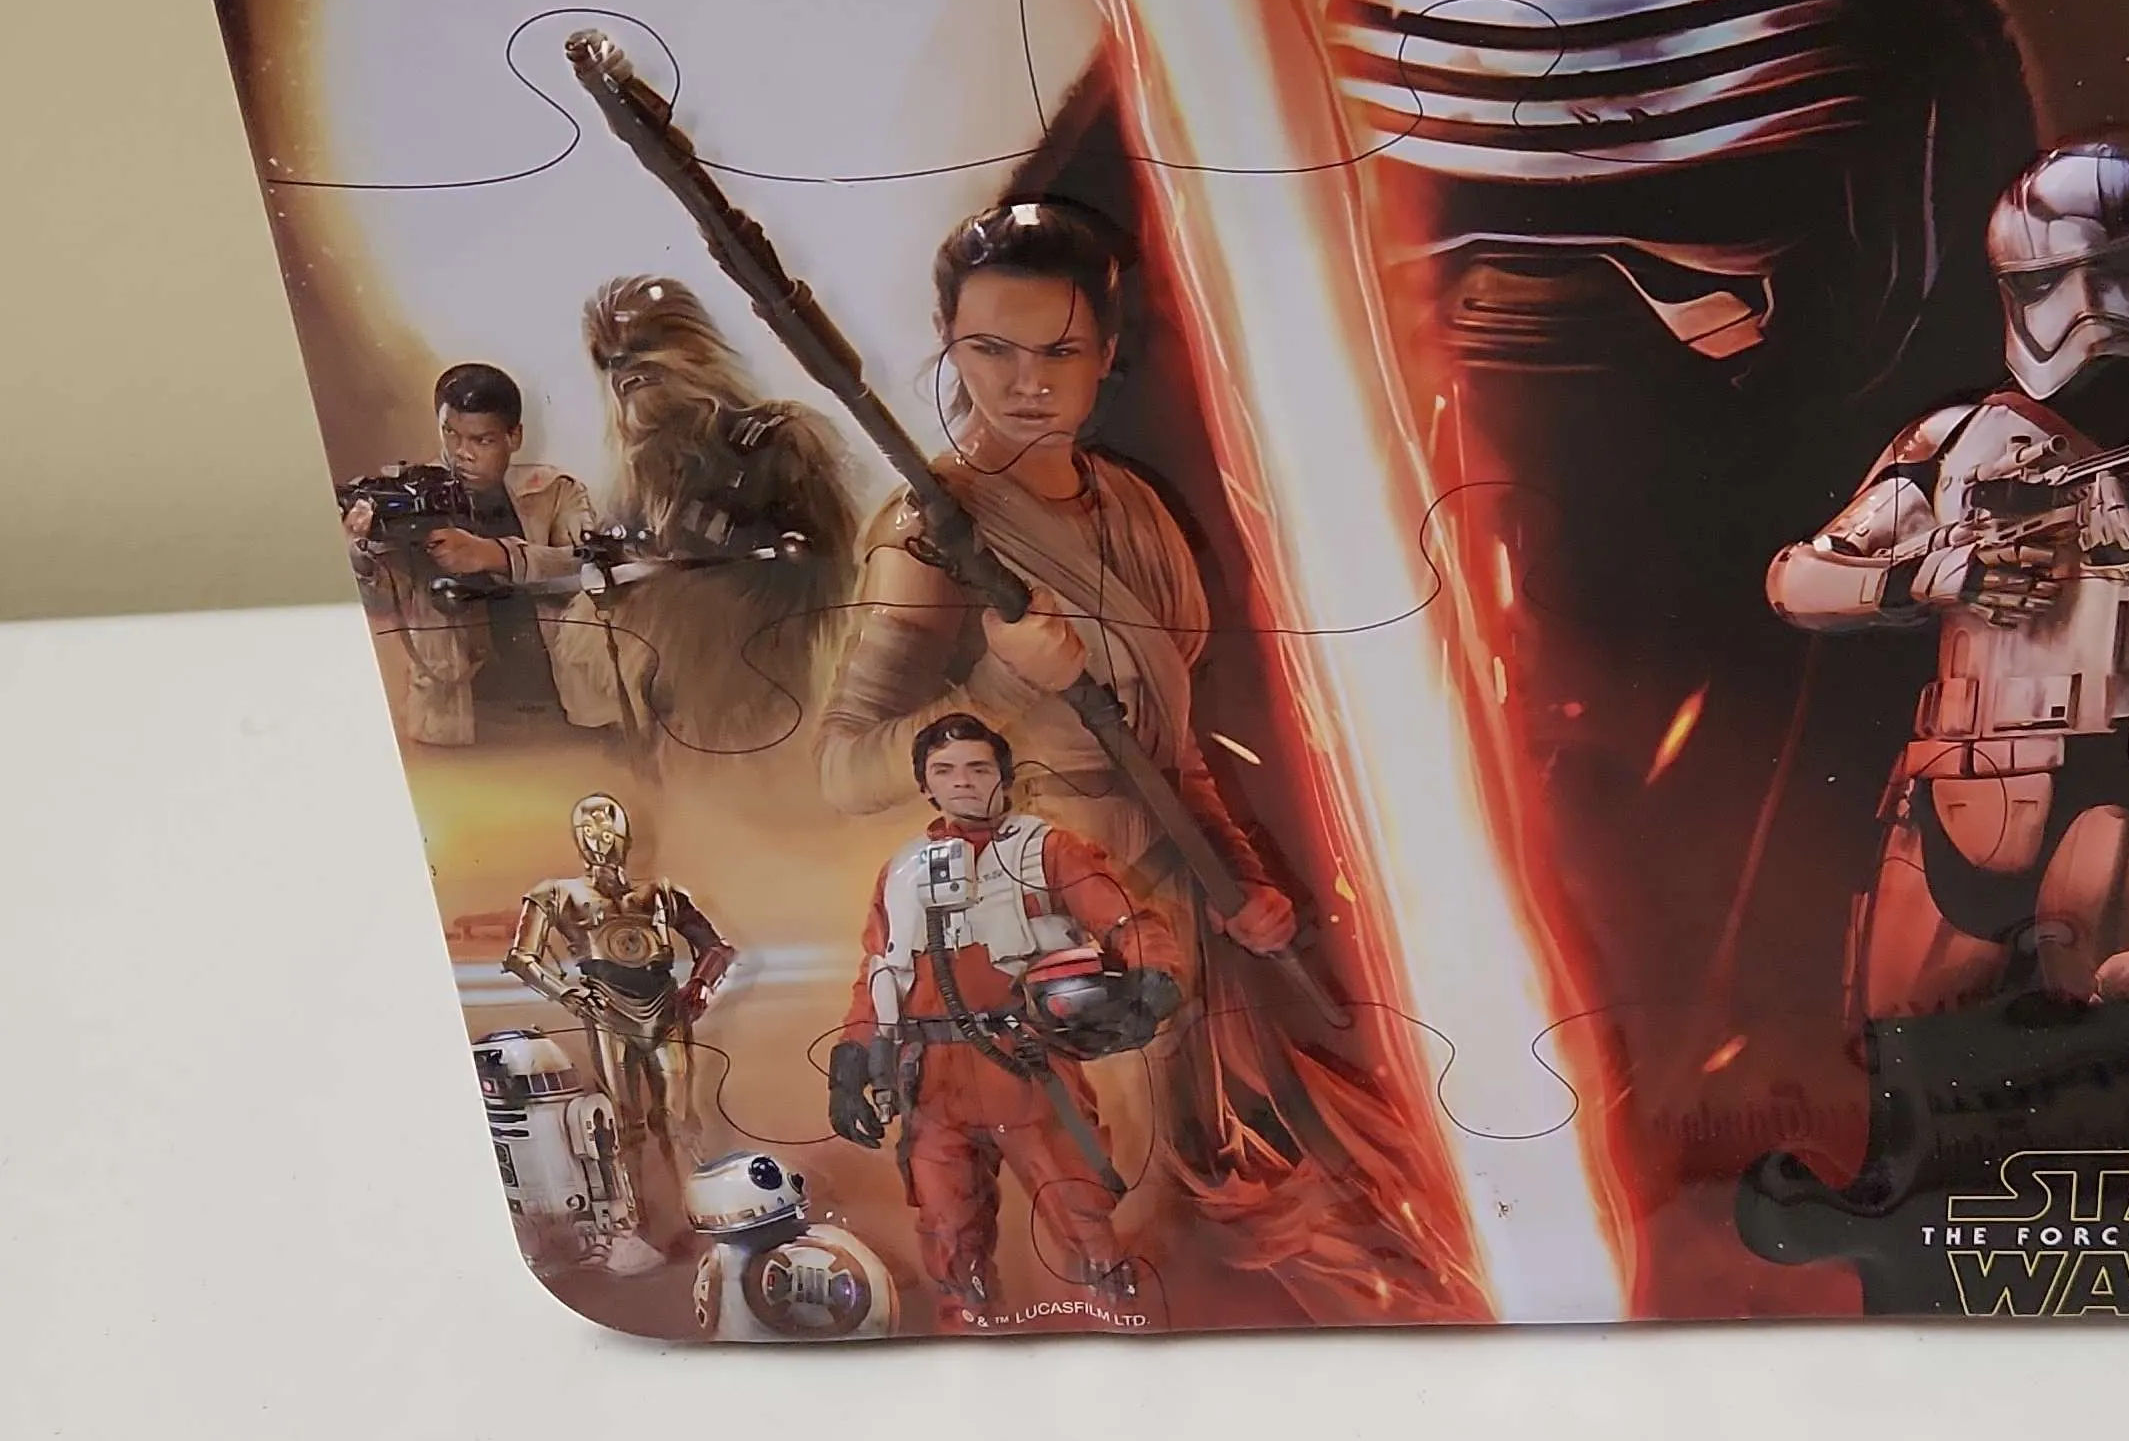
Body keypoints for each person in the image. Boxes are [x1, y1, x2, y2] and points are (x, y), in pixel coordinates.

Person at [813, 192, 1479, 1323]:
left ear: (1106, 353)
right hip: (1038, 943)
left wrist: (1238, 878)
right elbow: (839, 767)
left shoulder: (1136, 511)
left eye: (1060, 351)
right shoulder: (928, 535)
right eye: (992, 348)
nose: (1026, 381)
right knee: (1119, 1218)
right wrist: (999, 691)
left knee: (1282, 1204)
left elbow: (1169, 749)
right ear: (948, 345)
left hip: (1173, 925)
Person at [1769, 142, 2129, 1038]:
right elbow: (1799, 577)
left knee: (2115, 1042)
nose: (2087, 308)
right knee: (1910, 1046)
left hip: (2116, 784)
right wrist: (1925, 575)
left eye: (2121, 270)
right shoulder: (1954, 438)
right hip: (1949, 785)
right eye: (2051, 281)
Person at [830, 712, 1188, 1329]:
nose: (962, 782)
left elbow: (1128, 921)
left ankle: (1122, 1324)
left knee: (1080, 1216)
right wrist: (852, 1057)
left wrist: (1155, 980)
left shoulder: (1047, 850)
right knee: (948, 1232)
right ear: (925, 783)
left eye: (977, 768)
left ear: (1004, 775)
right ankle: (970, 1336)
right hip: (930, 1083)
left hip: (1026, 1066)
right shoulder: (902, 874)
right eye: (945, 770)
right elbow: (880, 971)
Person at [580, 276, 858, 757]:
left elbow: (832, 582)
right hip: (669, 708)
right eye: (608, 360)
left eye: (641, 346)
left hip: (764, 696)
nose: (623, 368)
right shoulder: (636, 483)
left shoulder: (776, 440)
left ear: (693, 347)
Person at [502, 793, 736, 1271]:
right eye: (589, 830)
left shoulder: (661, 892)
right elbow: (521, 957)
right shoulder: (556, 893)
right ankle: (632, 1227)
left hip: (665, 1006)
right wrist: (566, 993)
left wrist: (700, 984)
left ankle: (701, 1220)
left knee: (678, 1119)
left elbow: (716, 946)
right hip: (606, 1009)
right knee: (621, 1125)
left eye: (609, 829)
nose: (600, 839)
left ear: (625, 836)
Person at [345, 362, 626, 746]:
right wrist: (359, 554)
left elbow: (592, 568)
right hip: (454, 716)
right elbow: (380, 600)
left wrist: (495, 556)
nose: (463, 453)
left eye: (482, 440)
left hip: (566, 705)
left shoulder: (554, 491)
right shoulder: (413, 496)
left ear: (515, 436)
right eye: (451, 434)